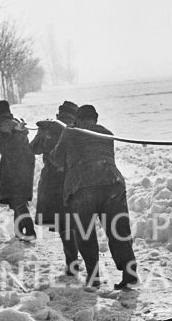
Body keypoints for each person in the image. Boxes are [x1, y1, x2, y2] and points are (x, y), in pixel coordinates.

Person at [50, 103, 138, 290]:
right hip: (112, 184)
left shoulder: (70, 133)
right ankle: (129, 270)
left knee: (85, 233)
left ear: (77, 119)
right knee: (118, 230)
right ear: (96, 119)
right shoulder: (107, 132)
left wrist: (65, 134)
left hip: (83, 187)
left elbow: (57, 159)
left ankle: (93, 275)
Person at [30, 100, 81, 277]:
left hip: (53, 182)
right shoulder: (78, 129)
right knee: (77, 223)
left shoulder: (49, 127)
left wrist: (41, 131)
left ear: (59, 114)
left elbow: (33, 148)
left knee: (63, 225)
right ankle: (82, 261)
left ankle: (72, 262)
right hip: (75, 181)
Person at [0, 100, 37, 241]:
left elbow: (6, 148)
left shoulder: (4, 125)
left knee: (16, 199)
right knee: (18, 198)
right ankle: (19, 231)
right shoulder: (14, 122)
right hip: (25, 164)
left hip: (14, 165)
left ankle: (29, 230)